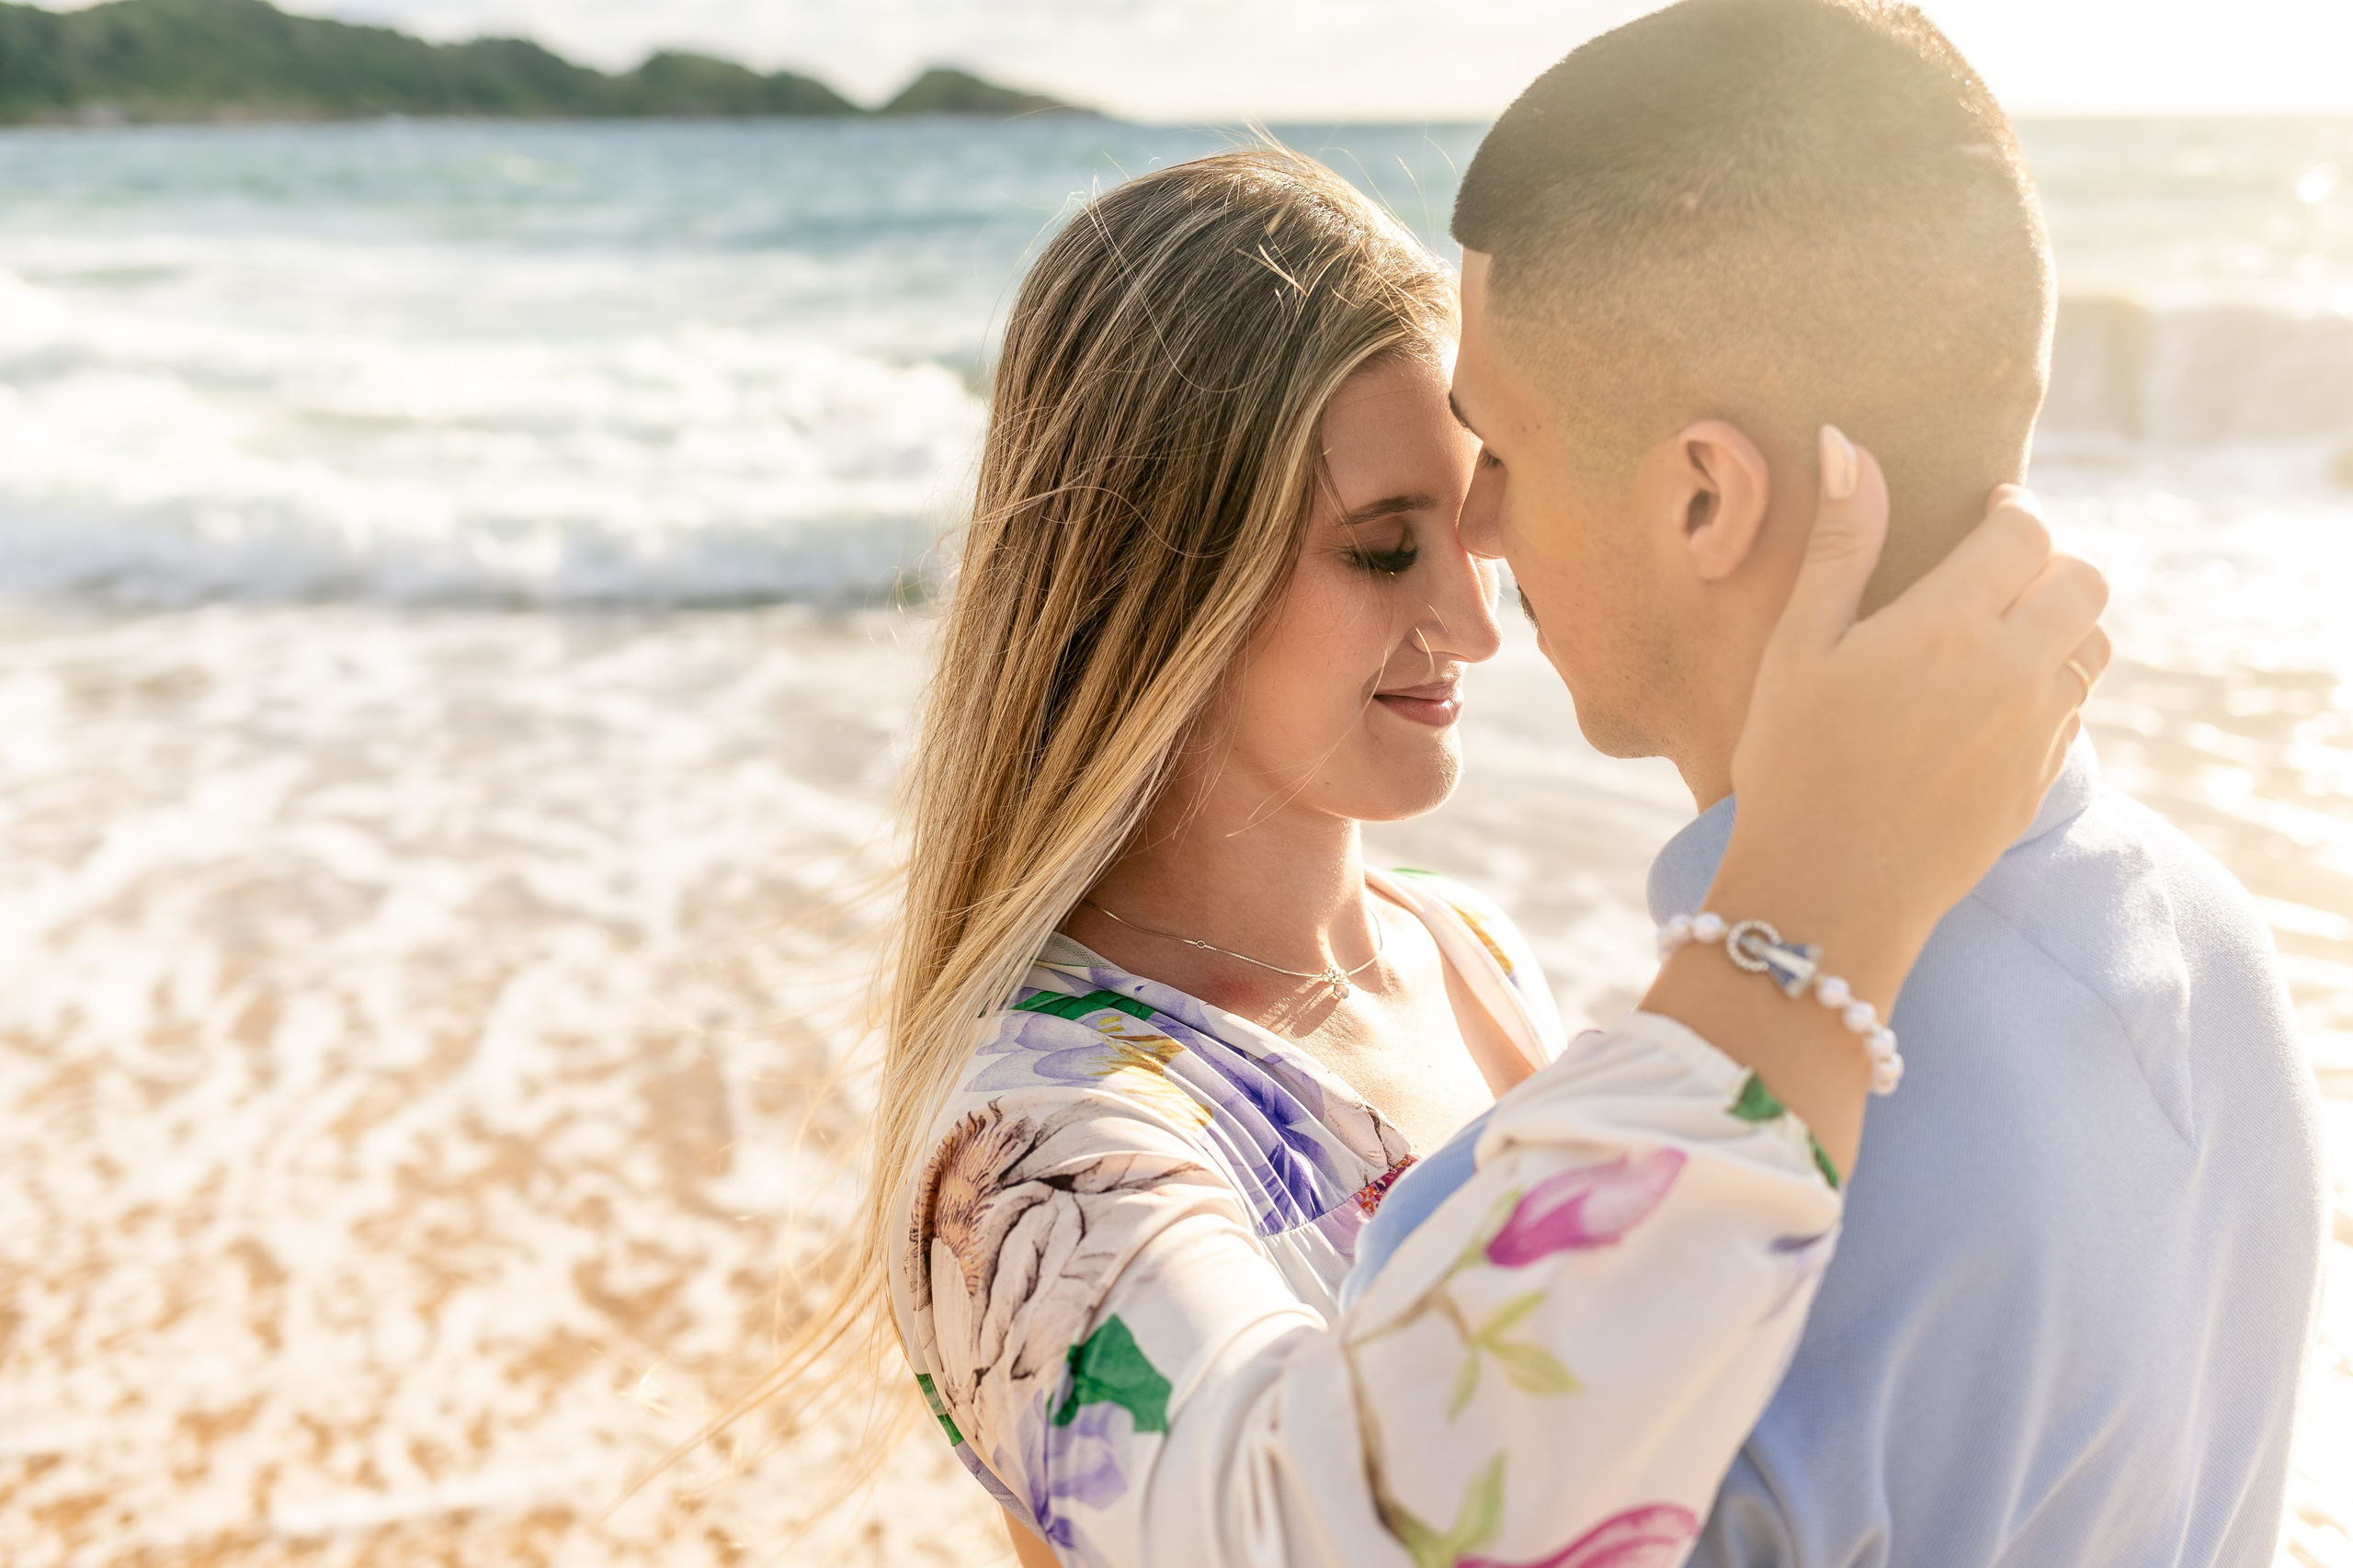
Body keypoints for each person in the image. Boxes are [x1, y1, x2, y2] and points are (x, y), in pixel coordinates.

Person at [795, 141, 2112, 1568]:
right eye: (1380, 548)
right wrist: (1803, 916)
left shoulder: (1460, 945)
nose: (1478, 625)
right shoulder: (1016, 1154)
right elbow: (1311, 1534)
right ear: (1156, 576)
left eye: (1477, 521)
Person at [1351, 3, 2330, 1565]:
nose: (1474, 523)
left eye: (1503, 447)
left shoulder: (1553, 1277)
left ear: (1703, 495)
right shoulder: (2212, 948)